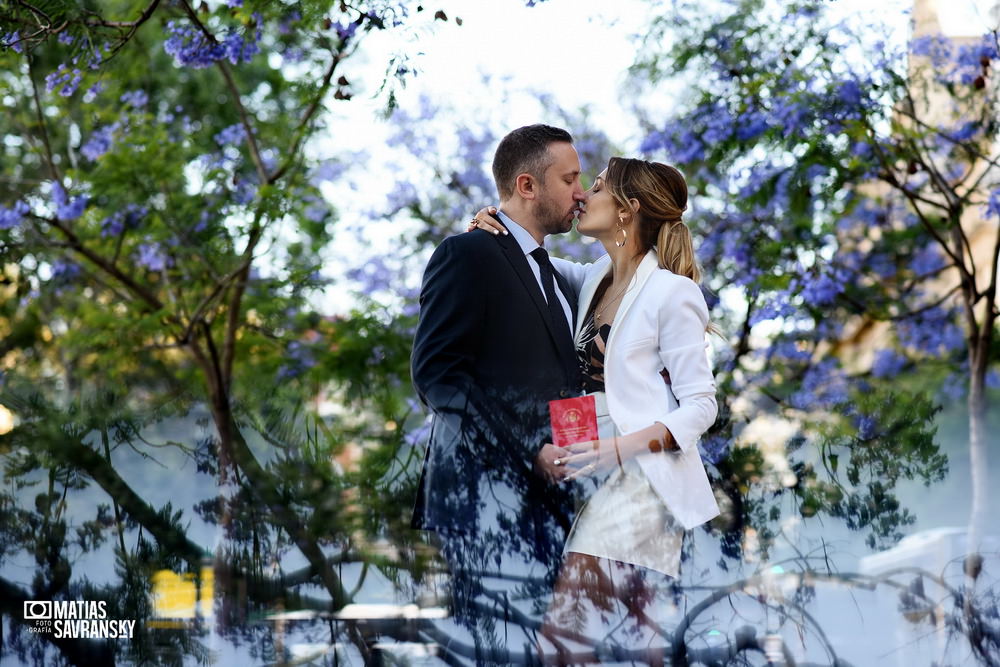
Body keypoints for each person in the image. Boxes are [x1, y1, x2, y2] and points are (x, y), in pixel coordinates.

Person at [471, 157, 719, 662]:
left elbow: (700, 407)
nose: (583, 194)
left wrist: (615, 450)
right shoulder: (590, 280)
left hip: (639, 479)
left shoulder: (673, 292)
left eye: (598, 186)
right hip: (584, 474)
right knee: (640, 636)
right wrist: (489, 221)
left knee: (564, 636)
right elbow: (523, 256)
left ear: (628, 210)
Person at [410, 124, 588, 662]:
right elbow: (438, 374)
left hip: (546, 505)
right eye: (570, 178)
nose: (580, 191)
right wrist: (529, 447)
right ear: (528, 185)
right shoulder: (468, 254)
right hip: (482, 503)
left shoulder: (558, 276)